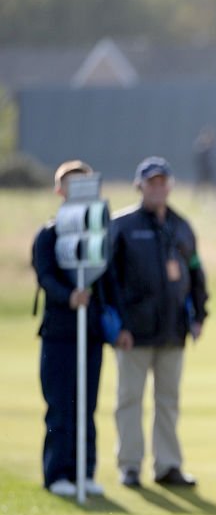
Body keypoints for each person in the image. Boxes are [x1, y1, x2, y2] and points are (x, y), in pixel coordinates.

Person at [109, 156, 208, 488]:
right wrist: (117, 325)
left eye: (163, 181)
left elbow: (195, 273)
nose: (158, 187)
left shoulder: (181, 226)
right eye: (151, 182)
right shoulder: (121, 226)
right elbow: (109, 282)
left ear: (170, 185)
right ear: (140, 186)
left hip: (173, 329)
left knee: (168, 401)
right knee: (130, 399)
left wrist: (200, 315)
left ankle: (167, 465)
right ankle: (130, 465)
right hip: (133, 331)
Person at [31, 160, 125, 497]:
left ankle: (84, 471)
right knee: (61, 404)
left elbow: (109, 282)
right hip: (59, 332)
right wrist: (69, 296)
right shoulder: (49, 233)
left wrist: (119, 324)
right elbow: (45, 276)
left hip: (92, 332)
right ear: (59, 190)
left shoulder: (100, 234)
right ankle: (57, 473)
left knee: (87, 404)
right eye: (71, 185)